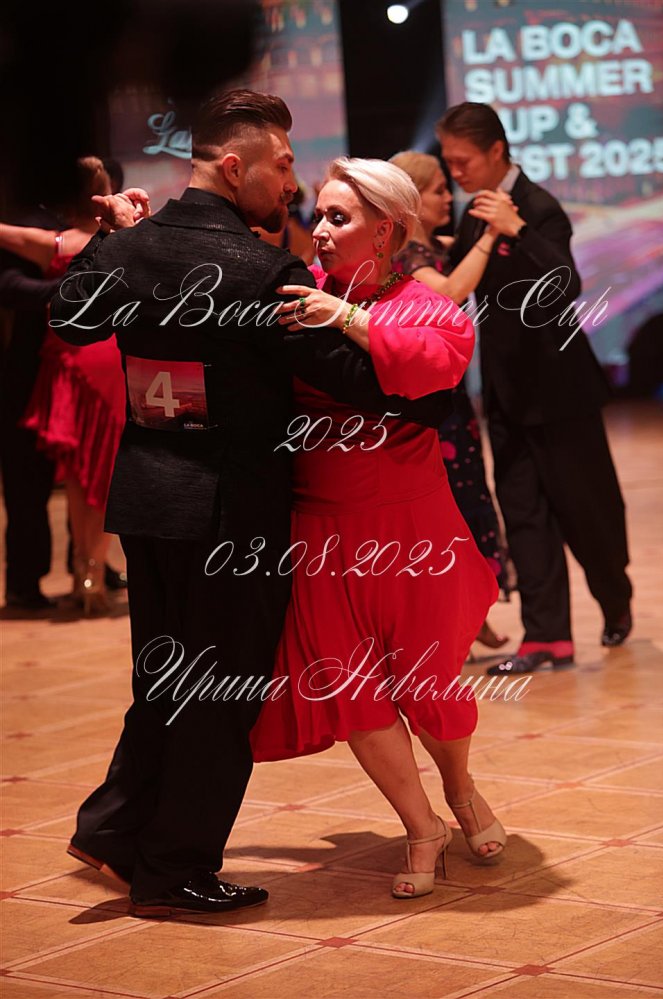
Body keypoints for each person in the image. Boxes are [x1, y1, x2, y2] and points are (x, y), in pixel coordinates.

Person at [49, 90, 457, 918]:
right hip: (232, 517)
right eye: (283, 164)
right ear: (236, 168)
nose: (291, 182)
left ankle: (118, 830)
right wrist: (401, 356)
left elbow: (70, 319)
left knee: (164, 677)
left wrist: (117, 240)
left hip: (149, 501)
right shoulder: (260, 268)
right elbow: (356, 382)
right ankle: (175, 868)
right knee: (221, 693)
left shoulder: (136, 245)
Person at [250, 157, 505, 899]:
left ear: (386, 231)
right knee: (353, 691)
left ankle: (460, 790)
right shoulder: (294, 293)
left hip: (411, 527)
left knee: (431, 687)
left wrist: (344, 318)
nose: (321, 231)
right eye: (320, 216)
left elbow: (434, 365)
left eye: (340, 217)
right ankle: (422, 826)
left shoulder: (422, 302)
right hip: (320, 527)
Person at [436, 102, 633, 674]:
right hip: (506, 391)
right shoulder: (476, 211)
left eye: (464, 160)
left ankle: (615, 597)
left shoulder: (539, 207)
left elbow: (565, 283)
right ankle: (547, 638)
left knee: (586, 512)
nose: (456, 172)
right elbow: (461, 276)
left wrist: (517, 230)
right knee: (522, 511)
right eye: (449, 162)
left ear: (497, 151)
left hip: (562, 391)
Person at [390, 149, 511, 648]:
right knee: (453, 508)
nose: (449, 196)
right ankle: (460, 620)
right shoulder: (405, 258)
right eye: (439, 189)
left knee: (468, 497)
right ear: (414, 199)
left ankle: (472, 613)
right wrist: (492, 234)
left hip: (453, 401)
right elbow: (450, 292)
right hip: (430, 407)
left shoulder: (430, 247)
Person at [0, 158, 127, 615]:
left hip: (73, 365)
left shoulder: (58, 242)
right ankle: (90, 571)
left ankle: (85, 573)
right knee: (103, 471)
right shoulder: (125, 241)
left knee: (79, 474)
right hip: (109, 362)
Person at [0, 202, 63, 610]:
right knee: (26, 481)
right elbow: (7, 286)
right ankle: (24, 582)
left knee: (87, 478)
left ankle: (88, 565)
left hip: (73, 371)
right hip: (25, 374)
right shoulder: (29, 225)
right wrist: (70, 289)